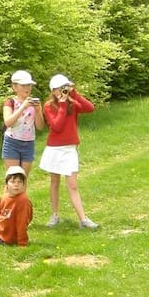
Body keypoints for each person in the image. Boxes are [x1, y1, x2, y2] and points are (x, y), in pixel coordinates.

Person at [39, 74, 99, 229]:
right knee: (54, 182)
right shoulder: (48, 106)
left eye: (66, 88)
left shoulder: (73, 103)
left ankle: (83, 219)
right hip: (55, 148)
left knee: (72, 185)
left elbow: (90, 108)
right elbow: (56, 126)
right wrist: (62, 104)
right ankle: (54, 215)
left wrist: (74, 94)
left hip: (70, 148)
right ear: (53, 91)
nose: (64, 91)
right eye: (61, 88)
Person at [2, 70, 45, 176]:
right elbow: (8, 122)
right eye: (23, 85)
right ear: (14, 87)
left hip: (29, 144)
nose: (27, 88)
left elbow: (40, 127)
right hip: (12, 142)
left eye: (29, 85)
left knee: (23, 179)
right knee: (12, 179)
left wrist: (39, 111)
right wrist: (23, 107)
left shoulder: (33, 103)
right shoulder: (10, 102)